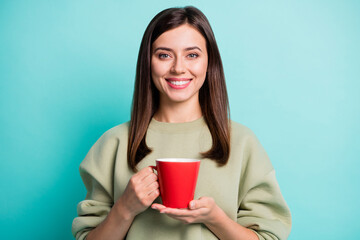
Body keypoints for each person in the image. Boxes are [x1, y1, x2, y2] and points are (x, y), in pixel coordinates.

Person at [72, 6, 291, 240]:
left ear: (210, 62)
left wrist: (214, 218)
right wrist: (125, 208)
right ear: (148, 62)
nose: (178, 68)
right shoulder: (113, 143)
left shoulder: (240, 142)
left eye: (192, 55)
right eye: (164, 55)